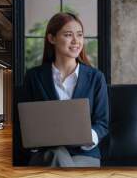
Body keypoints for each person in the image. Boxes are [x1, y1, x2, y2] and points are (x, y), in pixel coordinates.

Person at [22, 12, 109, 167]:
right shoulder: (34, 77)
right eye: (68, 35)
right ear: (52, 38)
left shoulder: (96, 78)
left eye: (80, 35)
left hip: (85, 154)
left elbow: (102, 123)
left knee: (61, 161)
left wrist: (87, 137)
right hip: (45, 154)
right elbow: (25, 122)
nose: (76, 41)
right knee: (56, 154)